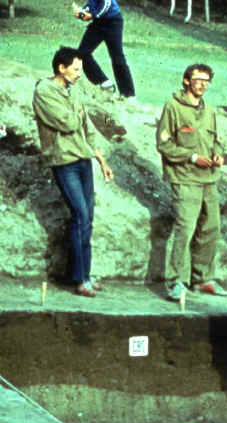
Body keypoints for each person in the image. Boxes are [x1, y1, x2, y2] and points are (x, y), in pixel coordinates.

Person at [33, 46, 114, 298]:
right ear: (61, 68)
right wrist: (76, 115)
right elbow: (67, 122)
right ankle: (80, 279)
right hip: (64, 160)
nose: (80, 74)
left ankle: (83, 274)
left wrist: (101, 159)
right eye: (76, 69)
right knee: (79, 213)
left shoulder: (72, 91)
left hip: (82, 159)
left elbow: (86, 127)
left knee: (86, 216)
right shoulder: (44, 91)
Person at [156, 63, 227, 301]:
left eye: (207, 80)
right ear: (186, 80)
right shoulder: (173, 107)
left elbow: (216, 139)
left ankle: (203, 278)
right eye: (198, 79)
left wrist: (218, 155)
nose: (202, 84)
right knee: (185, 229)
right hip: (185, 178)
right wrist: (192, 157)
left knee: (211, 228)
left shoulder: (209, 109)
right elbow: (164, 144)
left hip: (209, 179)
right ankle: (177, 281)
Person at [72, 0, 136, 98]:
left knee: (117, 58)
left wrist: (93, 15)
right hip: (98, 23)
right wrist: (82, 12)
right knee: (82, 53)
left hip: (113, 22)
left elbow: (106, 3)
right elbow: (92, 5)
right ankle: (105, 84)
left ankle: (128, 95)